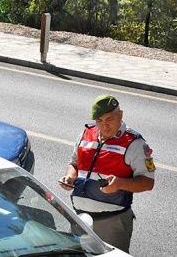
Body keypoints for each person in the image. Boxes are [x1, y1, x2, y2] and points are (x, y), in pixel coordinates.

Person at [58, 94, 155, 253]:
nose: (105, 125)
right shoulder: (86, 134)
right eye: (99, 121)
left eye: (109, 119)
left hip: (112, 223)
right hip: (81, 219)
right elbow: (74, 164)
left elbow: (148, 182)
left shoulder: (134, 143)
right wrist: (70, 176)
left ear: (120, 115)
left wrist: (120, 184)